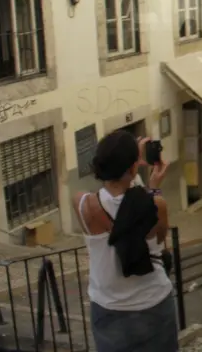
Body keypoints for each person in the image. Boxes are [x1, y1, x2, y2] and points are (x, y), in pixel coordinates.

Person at [73, 130, 176, 352]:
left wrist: (130, 164)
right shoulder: (156, 203)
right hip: (154, 302)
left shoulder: (84, 205)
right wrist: (153, 186)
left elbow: (113, 200)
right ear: (133, 167)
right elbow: (160, 240)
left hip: (108, 307)